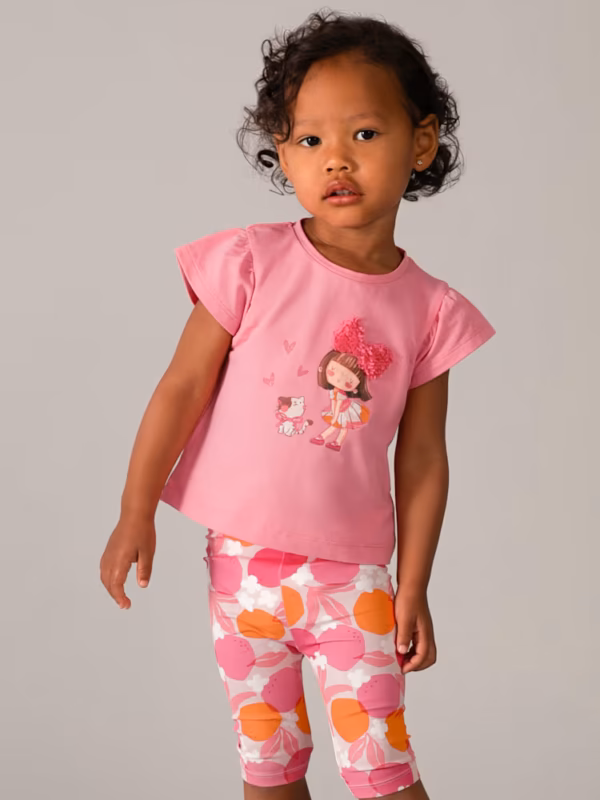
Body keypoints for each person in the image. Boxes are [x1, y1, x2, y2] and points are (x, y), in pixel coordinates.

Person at [99, 9, 497, 800]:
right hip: (241, 572)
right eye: (309, 140)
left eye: (364, 134)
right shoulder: (249, 262)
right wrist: (134, 509)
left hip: (353, 582)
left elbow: (423, 458)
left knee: (382, 772)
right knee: (269, 769)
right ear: (281, 153)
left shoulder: (431, 311)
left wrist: (412, 585)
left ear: (421, 142)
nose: (336, 159)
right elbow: (180, 388)